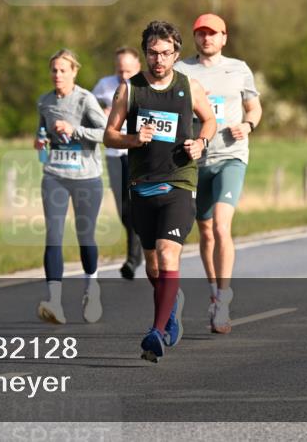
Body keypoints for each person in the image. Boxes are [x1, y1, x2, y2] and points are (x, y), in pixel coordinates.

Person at [104, 21, 216, 363]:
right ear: (145, 53)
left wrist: (200, 142)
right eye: (153, 53)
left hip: (180, 181)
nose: (159, 60)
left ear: (176, 54)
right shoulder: (130, 90)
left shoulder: (189, 86)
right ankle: (172, 304)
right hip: (142, 185)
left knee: (169, 255)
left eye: (166, 53)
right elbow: (109, 135)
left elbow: (209, 120)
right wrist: (133, 139)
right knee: (153, 267)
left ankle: (156, 331)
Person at [175, 13, 262, 335]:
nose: (207, 38)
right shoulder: (182, 70)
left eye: (213, 33)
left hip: (230, 156)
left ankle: (224, 297)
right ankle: (214, 291)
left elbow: (254, 107)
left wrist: (248, 124)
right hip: (195, 162)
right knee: (206, 231)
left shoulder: (238, 69)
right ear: (195, 37)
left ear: (224, 37)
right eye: (201, 33)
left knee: (223, 227)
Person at [35, 49, 108, 324]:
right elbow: (42, 135)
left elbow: (106, 134)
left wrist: (74, 130)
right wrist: (40, 145)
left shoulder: (85, 99)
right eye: (54, 70)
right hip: (54, 174)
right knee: (53, 235)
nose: (57, 75)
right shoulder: (44, 102)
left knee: (85, 237)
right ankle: (54, 300)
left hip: (87, 177)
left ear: (74, 72)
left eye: (63, 70)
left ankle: (92, 288)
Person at [91, 47, 144, 279]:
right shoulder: (104, 86)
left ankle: (132, 260)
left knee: (135, 206)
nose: (123, 75)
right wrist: (101, 111)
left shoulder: (145, 85)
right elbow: (87, 109)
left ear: (138, 68)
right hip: (114, 153)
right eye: (119, 70)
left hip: (138, 153)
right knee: (123, 209)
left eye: (128, 70)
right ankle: (139, 245)